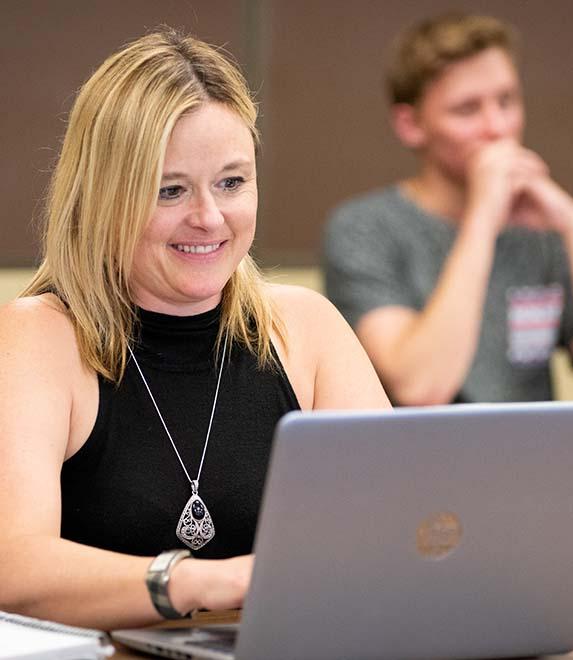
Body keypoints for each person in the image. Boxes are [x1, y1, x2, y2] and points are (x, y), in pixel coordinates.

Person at [0, 29, 390, 630]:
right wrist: (199, 581)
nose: (209, 218)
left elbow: (401, 525)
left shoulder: (304, 329)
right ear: (103, 197)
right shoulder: (38, 338)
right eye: (169, 190)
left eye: (232, 182)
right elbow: (14, 565)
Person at [323, 13, 573, 406]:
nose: (497, 126)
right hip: (420, 462)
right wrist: (483, 220)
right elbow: (421, 388)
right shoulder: (364, 229)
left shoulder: (542, 231)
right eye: (467, 110)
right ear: (411, 125)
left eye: (506, 101)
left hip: (535, 461)